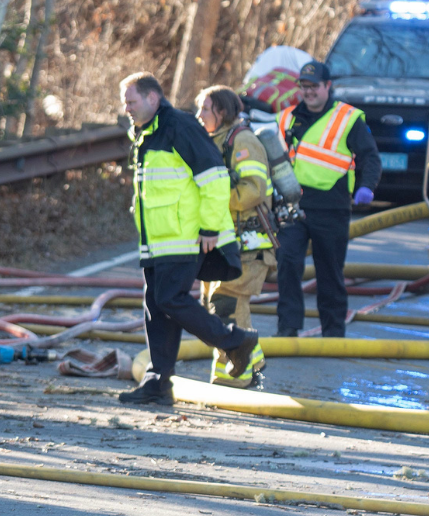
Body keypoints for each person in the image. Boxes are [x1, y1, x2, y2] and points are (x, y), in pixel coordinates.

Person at [117, 72, 259, 405]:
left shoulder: (178, 127)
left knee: (169, 299)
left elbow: (213, 177)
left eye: (131, 102)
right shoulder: (146, 133)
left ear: (153, 98)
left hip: (184, 238)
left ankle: (234, 341)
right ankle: (158, 382)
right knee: (157, 307)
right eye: (125, 104)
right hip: (157, 240)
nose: (127, 109)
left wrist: (210, 228)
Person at [274, 60, 382, 338]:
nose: (308, 92)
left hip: (331, 207)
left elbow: (369, 157)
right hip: (292, 204)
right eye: (304, 87)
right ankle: (287, 328)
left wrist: (366, 186)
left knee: (330, 272)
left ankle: (333, 333)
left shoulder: (348, 118)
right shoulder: (286, 118)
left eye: (314, 87)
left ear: (327, 86)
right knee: (287, 264)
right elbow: (272, 159)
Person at [195, 85, 272, 388]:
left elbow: (254, 189)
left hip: (249, 245)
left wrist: (215, 199)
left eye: (205, 109)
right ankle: (244, 366)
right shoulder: (212, 140)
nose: (199, 115)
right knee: (215, 306)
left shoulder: (243, 141)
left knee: (225, 305)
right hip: (221, 241)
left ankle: (235, 376)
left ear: (222, 112)